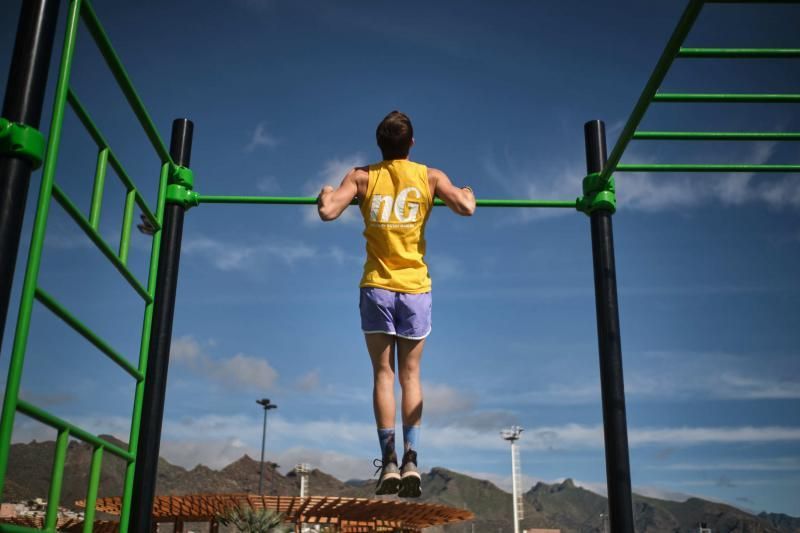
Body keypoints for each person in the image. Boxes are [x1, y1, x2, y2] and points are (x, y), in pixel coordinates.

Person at [317, 111, 475, 498]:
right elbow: (466, 207)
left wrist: (325, 193)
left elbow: (328, 211)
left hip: (377, 287)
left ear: (379, 144)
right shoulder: (431, 176)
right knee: (411, 375)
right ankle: (410, 460)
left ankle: (388, 461)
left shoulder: (360, 176)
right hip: (415, 288)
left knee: (383, 375)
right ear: (412, 143)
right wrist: (466, 192)